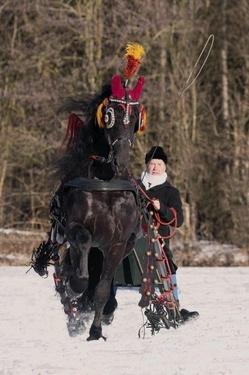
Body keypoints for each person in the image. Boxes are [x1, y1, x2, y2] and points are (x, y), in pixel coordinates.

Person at [139, 145, 199, 322]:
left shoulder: (171, 191)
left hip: (159, 242)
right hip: (132, 239)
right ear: (146, 165)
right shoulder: (134, 186)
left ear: (164, 167)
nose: (155, 167)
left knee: (169, 267)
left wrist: (161, 208)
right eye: (152, 163)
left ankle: (174, 307)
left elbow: (178, 220)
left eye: (158, 164)